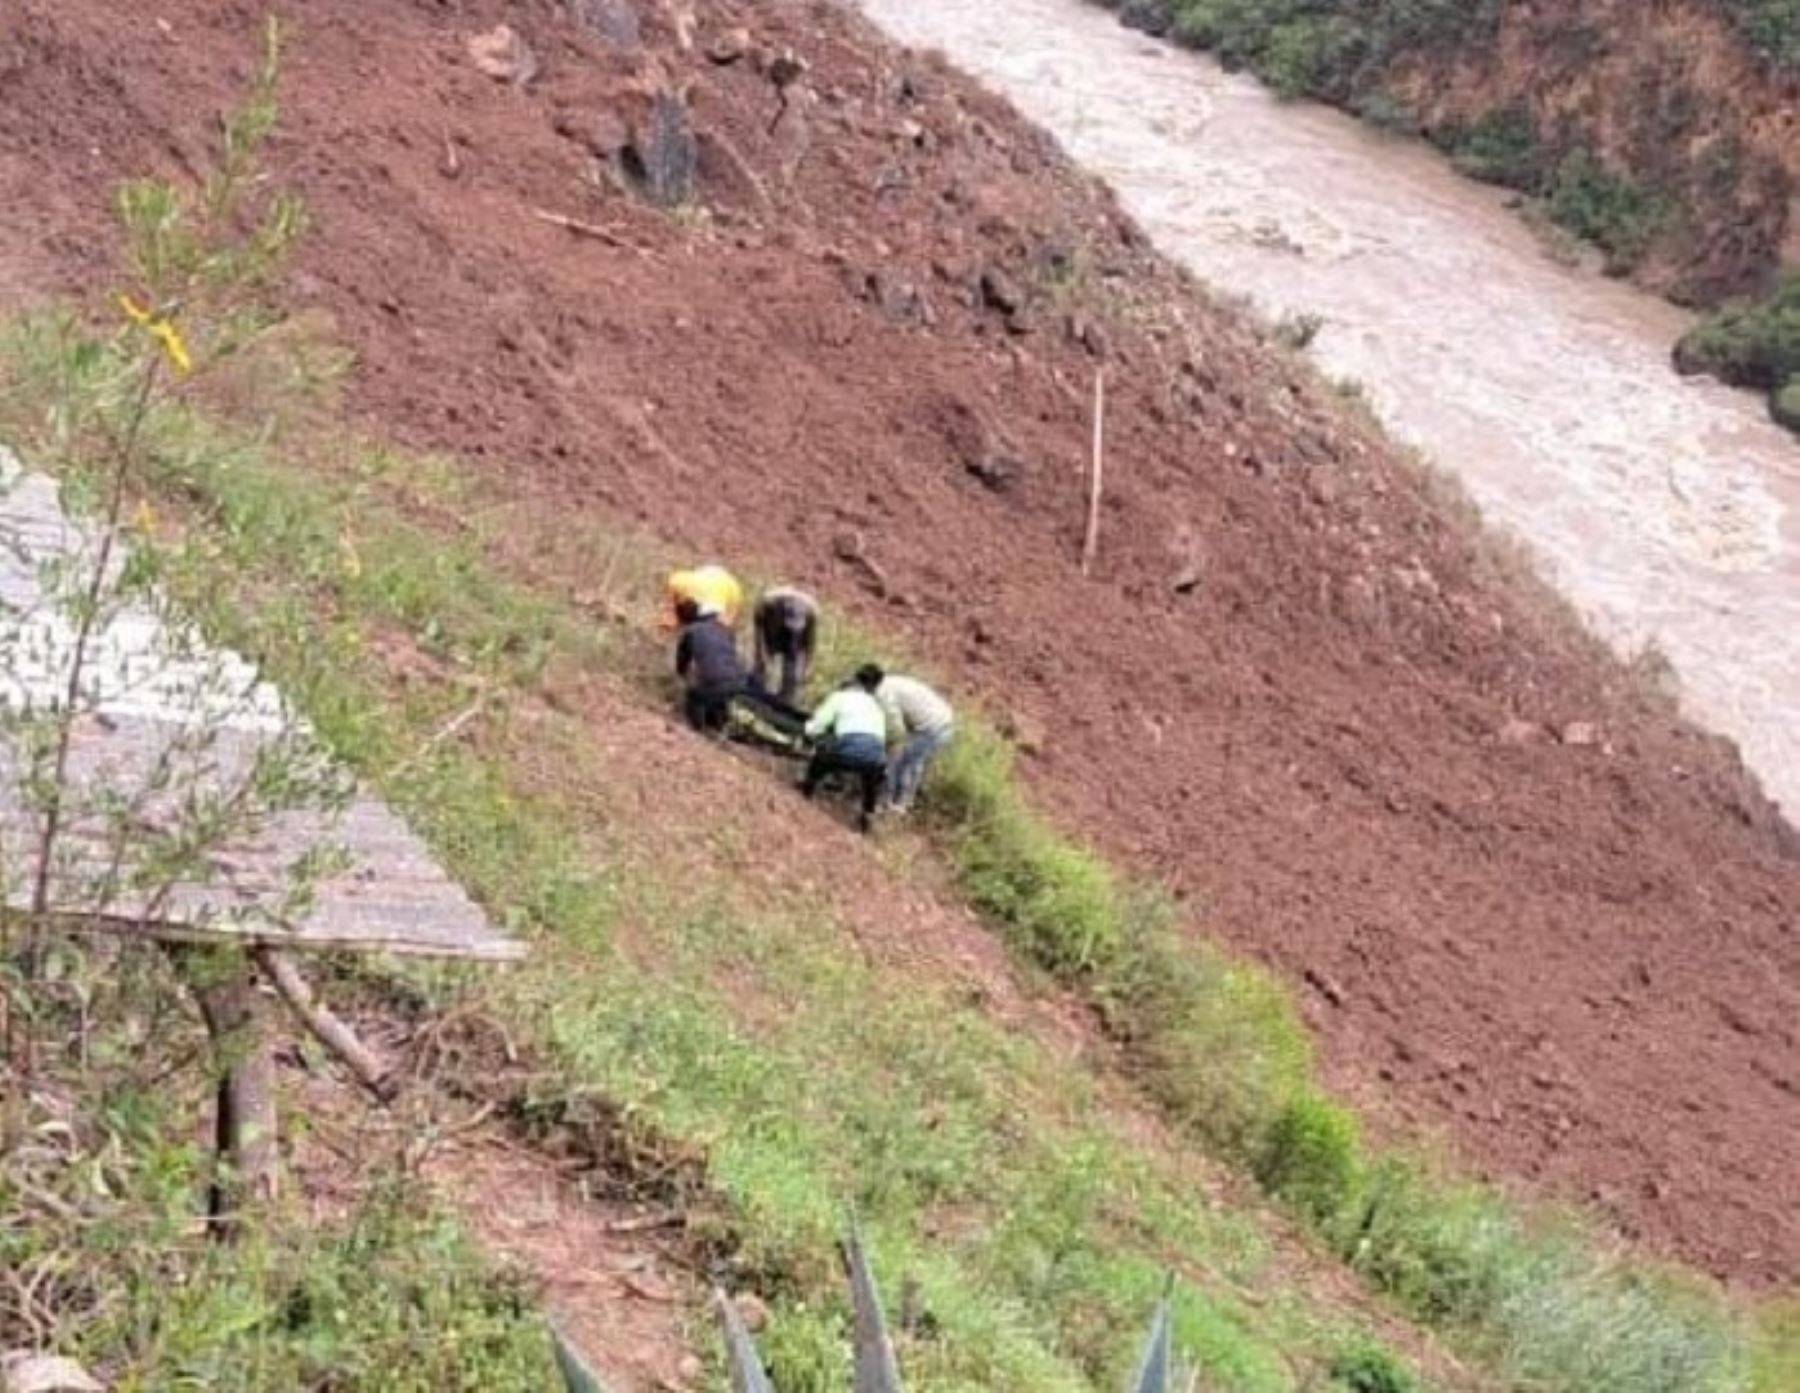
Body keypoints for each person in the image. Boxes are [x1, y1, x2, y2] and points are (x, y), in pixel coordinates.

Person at [800, 664, 889, 832]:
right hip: (876, 756)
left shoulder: (840, 697)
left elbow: (817, 725)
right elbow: (879, 738)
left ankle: (807, 789)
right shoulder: (876, 707)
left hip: (848, 749)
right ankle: (867, 813)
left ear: (854, 679)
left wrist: (807, 731)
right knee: (870, 777)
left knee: (822, 756)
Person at [875, 670, 955, 812]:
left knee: (907, 762)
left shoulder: (884, 694)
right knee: (903, 760)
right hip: (937, 719)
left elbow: (897, 733)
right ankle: (893, 801)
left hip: (936, 726)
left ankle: (898, 806)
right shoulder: (886, 684)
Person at [752, 586, 818, 704]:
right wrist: (761, 654)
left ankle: (785, 701)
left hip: (795, 639)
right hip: (773, 629)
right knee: (761, 666)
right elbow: (759, 629)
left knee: (793, 675)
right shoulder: (767, 604)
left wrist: (808, 666)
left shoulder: (811, 612)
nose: (791, 628)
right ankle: (755, 694)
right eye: (790, 622)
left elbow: (810, 641)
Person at [663, 564, 745, 631]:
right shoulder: (733, 587)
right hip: (717, 605)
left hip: (706, 601)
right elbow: (728, 620)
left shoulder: (683, 579)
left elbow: (672, 594)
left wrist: (669, 615)